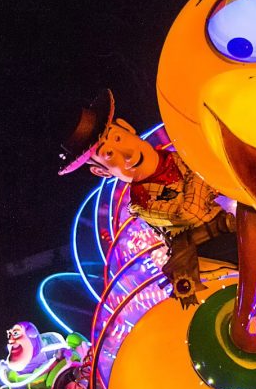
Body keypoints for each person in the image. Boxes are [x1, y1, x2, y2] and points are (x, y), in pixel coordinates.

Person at [58, 89, 236, 306]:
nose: (128, 154)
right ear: (101, 172)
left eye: (118, 138)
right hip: (208, 247)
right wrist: (199, 170)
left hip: (231, 224)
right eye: (109, 154)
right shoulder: (142, 202)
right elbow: (190, 213)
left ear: (127, 127)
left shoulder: (176, 156)